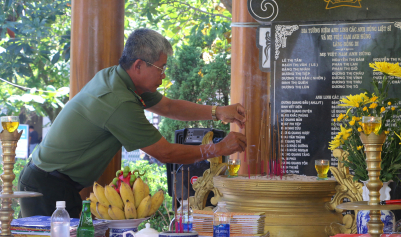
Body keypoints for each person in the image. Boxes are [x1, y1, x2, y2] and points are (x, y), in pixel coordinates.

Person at [18, 29, 247, 218]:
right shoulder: (118, 101)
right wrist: (219, 149)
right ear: (138, 65)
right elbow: (165, 153)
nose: (164, 76)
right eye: (161, 69)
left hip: (53, 181)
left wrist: (218, 112)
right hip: (47, 185)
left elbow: (168, 107)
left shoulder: (118, 78)